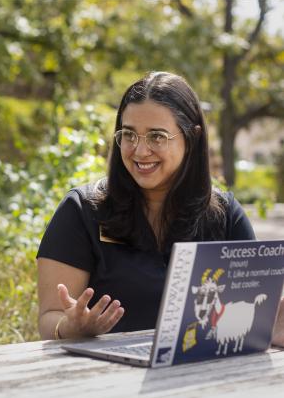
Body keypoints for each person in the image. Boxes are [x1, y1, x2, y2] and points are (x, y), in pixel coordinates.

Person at [37, 71, 284, 343]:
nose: (140, 151)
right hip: (102, 378)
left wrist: (271, 326)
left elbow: (246, 317)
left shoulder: (224, 215)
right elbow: (51, 317)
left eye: (157, 136)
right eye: (129, 134)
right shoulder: (81, 211)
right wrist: (70, 327)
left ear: (192, 138)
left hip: (200, 377)